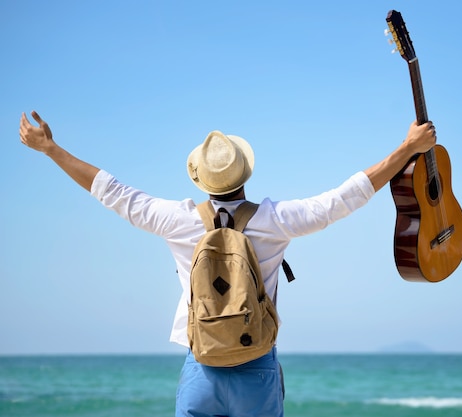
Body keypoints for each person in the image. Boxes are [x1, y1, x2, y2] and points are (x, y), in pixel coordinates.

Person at [19, 110, 436, 417]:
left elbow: (112, 192)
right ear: (245, 175)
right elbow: (346, 197)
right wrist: (408, 148)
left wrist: (50, 148)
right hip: (256, 368)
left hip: (202, 370)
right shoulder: (274, 220)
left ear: (200, 178)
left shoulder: (178, 220)